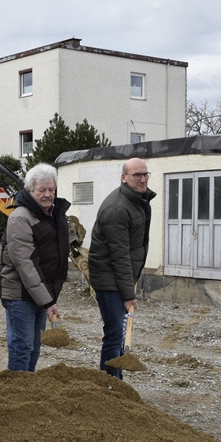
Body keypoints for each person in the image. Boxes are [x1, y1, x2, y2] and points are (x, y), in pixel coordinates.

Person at [0, 163, 70, 372]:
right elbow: (25, 264)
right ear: (29, 190)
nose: (48, 194)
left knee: (34, 348)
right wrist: (48, 301)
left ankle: (27, 392)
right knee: (22, 347)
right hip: (19, 294)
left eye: (51, 189)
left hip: (40, 294)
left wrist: (49, 297)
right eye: (42, 190)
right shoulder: (20, 217)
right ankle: (17, 395)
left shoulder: (54, 214)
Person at [88, 157, 156, 380]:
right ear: (124, 178)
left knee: (117, 334)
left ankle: (114, 382)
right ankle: (109, 383)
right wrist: (129, 295)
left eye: (145, 174)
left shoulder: (137, 201)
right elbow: (120, 256)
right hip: (109, 280)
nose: (143, 179)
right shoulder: (118, 208)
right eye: (137, 175)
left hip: (119, 277)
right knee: (114, 333)